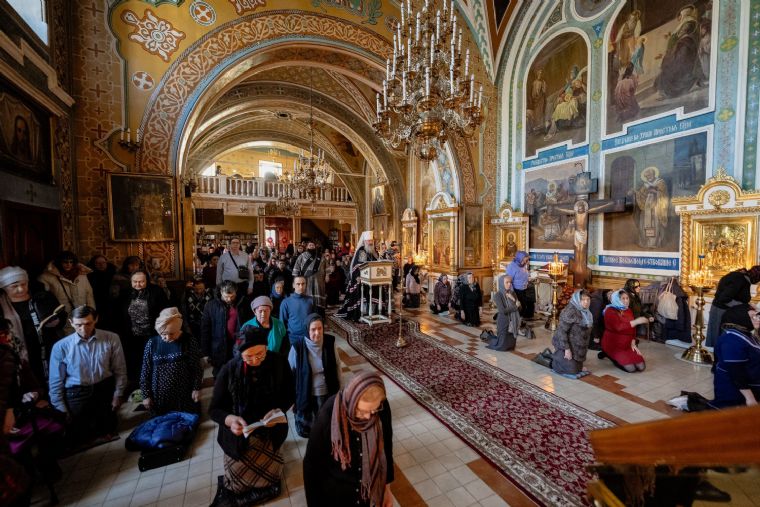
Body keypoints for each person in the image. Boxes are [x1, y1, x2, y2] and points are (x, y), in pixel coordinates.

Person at [209, 327, 295, 506]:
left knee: (271, 477)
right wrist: (230, 420)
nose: (255, 360)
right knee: (237, 483)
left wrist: (278, 411)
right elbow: (214, 409)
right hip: (239, 436)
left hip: (270, 431)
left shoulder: (279, 363)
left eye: (260, 354)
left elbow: (290, 395)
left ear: (266, 347)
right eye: (249, 356)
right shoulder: (229, 370)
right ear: (240, 354)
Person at [303, 371, 394, 507]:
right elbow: (312, 465)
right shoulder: (329, 413)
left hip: (369, 493)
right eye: (361, 411)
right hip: (337, 496)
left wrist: (387, 488)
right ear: (351, 400)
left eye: (373, 411)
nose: (368, 417)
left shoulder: (382, 408)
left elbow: (386, 447)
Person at [48, 306, 127, 445]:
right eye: (78, 325)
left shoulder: (111, 338)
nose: (83, 330)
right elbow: (55, 382)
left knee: (108, 430)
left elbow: (120, 370)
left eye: (88, 324)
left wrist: (118, 394)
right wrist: (61, 410)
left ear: (96, 320)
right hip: (77, 393)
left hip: (103, 389)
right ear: (71, 322)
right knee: (82, 436)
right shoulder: (61, 347)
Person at [0, 266, 66, 384]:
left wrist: (57, 321)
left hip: (45, 345)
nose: (21, 289)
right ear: (4, 288)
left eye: (24, 284)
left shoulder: (42, 297)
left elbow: (61, 314)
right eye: (14, 286)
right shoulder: (1, 304)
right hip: (18, 348)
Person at [288, 314, 343, 438]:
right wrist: (291, 400)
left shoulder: (329, 342)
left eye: (320, 328)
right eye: (313, 329)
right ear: (307, 330)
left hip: (328, 391)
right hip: (306, 393)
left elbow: (338, 366)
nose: (317, 333)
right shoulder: (297, 347)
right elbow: (289, 375)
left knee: (327, 426)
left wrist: (341, 390)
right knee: (309, 430)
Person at [140, 308, 203, 416]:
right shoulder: (152, 343)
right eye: (163, 333)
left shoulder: (189, 341)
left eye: (172, 333)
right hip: (159, 399)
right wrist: (146, 395)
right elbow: (145, 371)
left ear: (178, 329)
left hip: (184, 396)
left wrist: (196, 388)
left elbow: (197, 368)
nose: (168, 337)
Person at [116, 270, 168, 384]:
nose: (138, 284)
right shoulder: (125, 292)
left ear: (147, 281)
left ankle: (154, 383)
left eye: (141, 282)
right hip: (131, 334)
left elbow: (164, 312)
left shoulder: (157, 291)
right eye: (135, 282)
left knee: (152, 359)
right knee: (134, 360)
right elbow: (119, 313)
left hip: (152, 333)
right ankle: (137, 384)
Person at [710, 304, 760, 408]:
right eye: (752, 317)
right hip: (734, 394)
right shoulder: (732, 339)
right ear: (740, 318)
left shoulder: (746, 334)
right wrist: (750, 399)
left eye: (757, 315)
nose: (757, 319)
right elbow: (736, 372)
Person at [38, 251, 95, 333]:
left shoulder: (82, 275)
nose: (68, 264)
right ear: (59, 262)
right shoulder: (47, 277)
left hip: (82, 316)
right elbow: (43, 300)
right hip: (62, 318)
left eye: (71, 262)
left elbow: (89, 294)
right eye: (65, 262)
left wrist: (91, 312)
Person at [707, 265, 760, 347]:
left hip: (723, 311)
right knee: (721, 338)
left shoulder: (741, 277)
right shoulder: (739, 279)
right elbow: (724, 298)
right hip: (721, 311)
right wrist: (745, 306)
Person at [600, 290, 651, 372]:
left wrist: (633, 341)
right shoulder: (610, 311)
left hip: (627, 345)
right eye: (623, 298)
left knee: (641, 367)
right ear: (617, 299)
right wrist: (636, 321)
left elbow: (632, 328)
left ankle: (614, 356)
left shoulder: (628, 310)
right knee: (631, 369)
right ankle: (609, 354)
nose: (626, 301)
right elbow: (618, 327)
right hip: (614, 344)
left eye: (627, 298)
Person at [201, 281, 241, 378]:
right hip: (218, 346)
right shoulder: (211, 305)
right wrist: (205, 352)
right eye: (226, 296)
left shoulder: (241, 303)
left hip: (236, 344)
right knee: (219, 376)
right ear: (221, 292)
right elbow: (205, 330)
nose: (229, 299)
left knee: (236, 374)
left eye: (232, 296)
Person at [337, 231, 379, 321]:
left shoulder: (373, 251)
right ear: (364, 241)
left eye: (371, 240)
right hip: (361, 278)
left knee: (376, 292)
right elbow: (359, 265)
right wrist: (359, 276)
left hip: (373, 278)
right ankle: (362, 314)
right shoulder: (362, 251)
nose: (370, 242)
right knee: (363, 294)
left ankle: (373, 312)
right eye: (368, 240)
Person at [552, 290, 594, 378]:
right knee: (572, 370)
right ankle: (554, 359)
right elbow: (561, 331)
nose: (586, 302)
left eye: (588, 299)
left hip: (577, 347)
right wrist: (567, 349)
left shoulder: (587, 313)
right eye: (583, 300)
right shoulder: (570, 311)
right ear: (577, 300)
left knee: (577, 368)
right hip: (564, 345)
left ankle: (566, 361)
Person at [634, 167, 669, 248]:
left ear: (653, 174)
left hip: (656, 206)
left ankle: (655, 243)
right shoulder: (645, 184)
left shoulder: (660, 182)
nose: (648, 177)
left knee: (655, 223)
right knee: (645, 223)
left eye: (649, 175)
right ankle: (646, 243)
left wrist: (655, 192)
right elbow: (641, 194)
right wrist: (636, 192)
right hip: (647, 207)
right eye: (646, 176)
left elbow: (664, 194)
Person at [278, 277, 314, 347]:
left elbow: (314, 319)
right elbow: (282, 323)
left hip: (308, 336)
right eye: (298, 284)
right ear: (293, 285)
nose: (301, 286)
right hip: (292, 337)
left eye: (303, 284)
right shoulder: (286, 302)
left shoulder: (311, 300)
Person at [489, 275, 520, 351]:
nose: (509, 284)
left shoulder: (512, 293)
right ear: (502, 283)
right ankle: (489, 338)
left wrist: (513, 299)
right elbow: (502, 311)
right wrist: (515, 306)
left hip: (513, 321)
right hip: (503, 321)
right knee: (501, 346)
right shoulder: (498, 295)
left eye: (510, 282)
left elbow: (520, 308)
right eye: (507, 282)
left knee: (511, 346)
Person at [292, 242, 326, 313]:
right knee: (306, 294)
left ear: (315, 247)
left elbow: (326, 267)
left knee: (318, 296)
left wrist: (327, 275)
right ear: (307, 247)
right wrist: (296, 278)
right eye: (310, 245)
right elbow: (297, 267)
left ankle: (319, 312)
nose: (311, 246)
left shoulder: (320, 256)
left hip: (318, 280)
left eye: (313, 245)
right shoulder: (302, 256)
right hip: (306, 279)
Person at [86, 255, 117, 329]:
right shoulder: (89, 276)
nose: (101, 265)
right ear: (94, 264)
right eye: (98, 263)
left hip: (112, 306)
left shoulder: (114, 274)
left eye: (103, 262)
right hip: (96, 305)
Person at [181, 278, 212, 342]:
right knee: (195, 345)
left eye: (201, 288)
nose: (199, 291)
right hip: (192, 325)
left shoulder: (210, 294)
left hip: (207, 325)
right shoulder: (187, 294)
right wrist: (186, 326)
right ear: (193, 286)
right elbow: (184, 311)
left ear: (204, 286)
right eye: (197, 288)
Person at [506, 251, 534, 320]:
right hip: (516, 290)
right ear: (520, 258)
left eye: (527, 260)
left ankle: (523, 318)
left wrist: (529, 278)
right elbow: (508, 280)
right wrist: (512, 293)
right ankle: (516, 321)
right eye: (525, 260)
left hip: (525, 289)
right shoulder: (511, 266)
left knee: (528, 305)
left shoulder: (523, 265)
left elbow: (524, 275)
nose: (526, 262)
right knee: (520, 307)